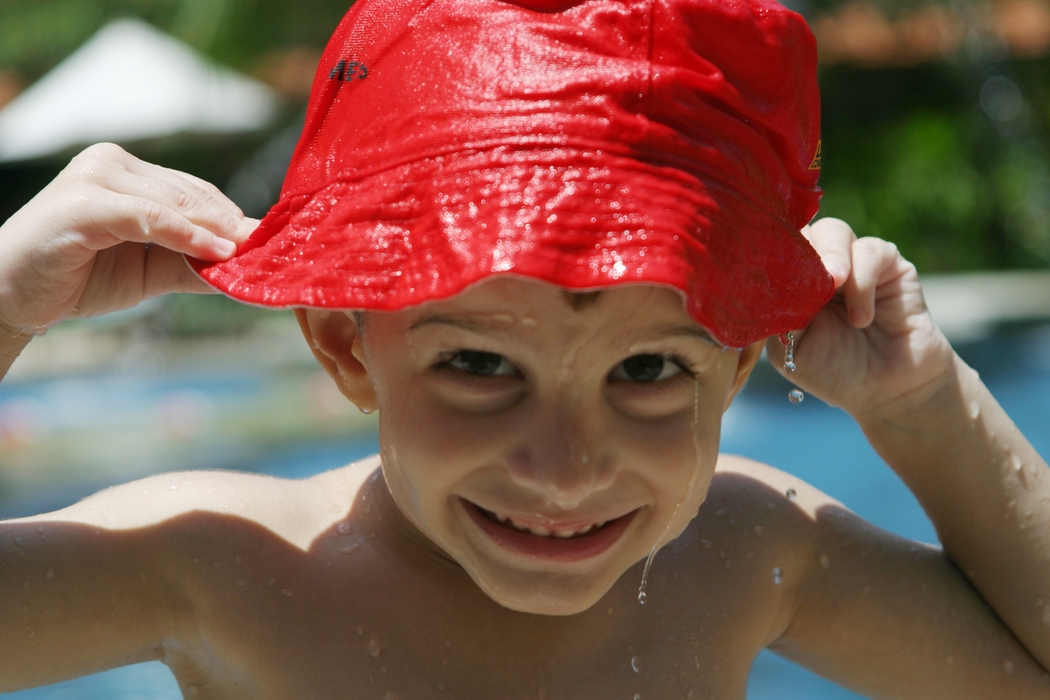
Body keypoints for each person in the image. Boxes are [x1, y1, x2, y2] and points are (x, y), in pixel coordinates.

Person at [1, 0, 1049, 697]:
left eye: (647, 371)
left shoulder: (740, 553)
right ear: (345, 344)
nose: (567, 465)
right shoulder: (227, 562)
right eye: (480, 365)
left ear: (736, 365)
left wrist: (923, 403)